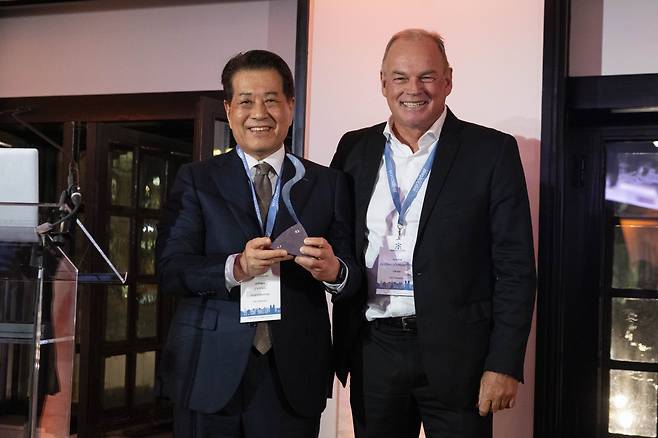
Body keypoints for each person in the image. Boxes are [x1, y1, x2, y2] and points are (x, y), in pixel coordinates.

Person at [330, 29, 536, 438]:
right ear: (383, 82)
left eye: (427, 76)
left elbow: (515, 267)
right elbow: (340, 241)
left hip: (460, 355)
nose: (414, 89)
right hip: (375, 350)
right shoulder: (353, 149)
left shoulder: (491, 151)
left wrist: (503, 363)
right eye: (401, 77)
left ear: (448, 80)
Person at [155, 49, 360, 438]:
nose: (259, 113)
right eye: (246, 101)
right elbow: (170, 269)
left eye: (271, 99)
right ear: (230, 110)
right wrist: (236, 267)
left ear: (291, 106)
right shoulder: (197, 180)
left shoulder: (328, 183)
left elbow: (351, 277)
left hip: (293, 373)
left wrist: (334, 271)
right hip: (209, 367)